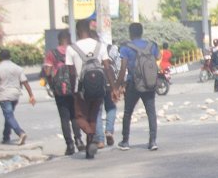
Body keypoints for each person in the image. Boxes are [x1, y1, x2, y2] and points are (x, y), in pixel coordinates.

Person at [66, 20, 111, 151]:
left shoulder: (71, 48)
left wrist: (73, 90)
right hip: (98, 89)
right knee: (93, 116)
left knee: (79, 117)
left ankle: (91, 135)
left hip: (80, 90)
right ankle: (91, 142)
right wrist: (112, 87)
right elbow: (107, 68)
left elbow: (71, 73)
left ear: (77, 31)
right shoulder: (100, 46)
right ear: (89, 29)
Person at [116, 22, 161, 151]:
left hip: (133, 84)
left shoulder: (125, 47)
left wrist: (117, 85)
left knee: (128, 112)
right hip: (149, 83)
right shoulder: (151, 45)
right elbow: (158, 56)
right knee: (151, 112)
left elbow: (123, 67)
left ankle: (125, 141)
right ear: (142, 32)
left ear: (130, 33)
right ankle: (152, 141)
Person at [45, 30, 80, 155]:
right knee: (74, 116)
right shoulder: (74, 51)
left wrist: (52, 85)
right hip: (74, 88)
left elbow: (48, 72)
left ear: (59, 40)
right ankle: (79, 140)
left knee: (64, 118)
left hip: (60, 90)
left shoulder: (52, 53)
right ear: (69, 39)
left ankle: (69, 145)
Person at [0, 48, 34, 146]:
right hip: (15, 95)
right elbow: (25, 82)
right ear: (10, 57)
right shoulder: (17, 67)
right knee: (9, 116)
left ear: (0, 58)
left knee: (8, 116)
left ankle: (20, 132)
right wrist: (31, 95)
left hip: (4, 95)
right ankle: (6, 136)